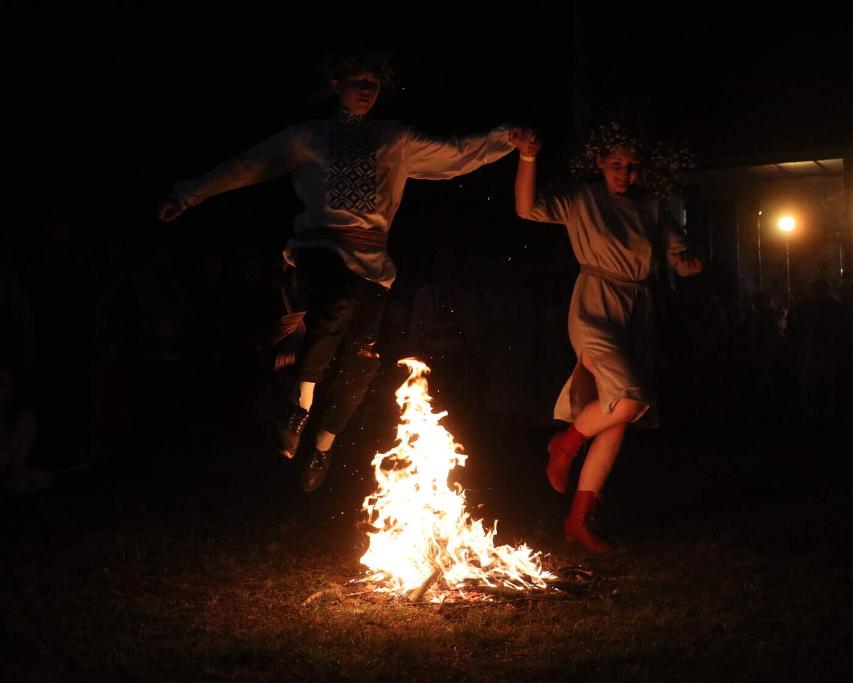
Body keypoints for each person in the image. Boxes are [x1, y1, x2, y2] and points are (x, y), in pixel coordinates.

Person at [159, 48, 521, 492]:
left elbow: (454, 154)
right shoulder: (308, 137)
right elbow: (248, 165)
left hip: (371, 262)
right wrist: (190, 194)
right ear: (336, 85)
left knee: (363, 360)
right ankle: (300, 404)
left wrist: (505, 140)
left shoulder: (394, 139)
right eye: (358, 82)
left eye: (373, 83)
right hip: (319, 250)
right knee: (339, 303)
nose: (367, 90)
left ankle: (323, 449)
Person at [512, 124, 702, 551]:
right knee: (630, 398)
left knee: (617, 418)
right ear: (599, 162)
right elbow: (526, 208)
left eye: (632, 166)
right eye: (616, 163)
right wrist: (527, 158)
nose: (624, 172)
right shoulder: (583, 198)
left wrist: (691, 263)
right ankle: (563, 445)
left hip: (636, 311)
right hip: (595, 304)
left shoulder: (652, 207)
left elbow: (683, 260)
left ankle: (578, 520)